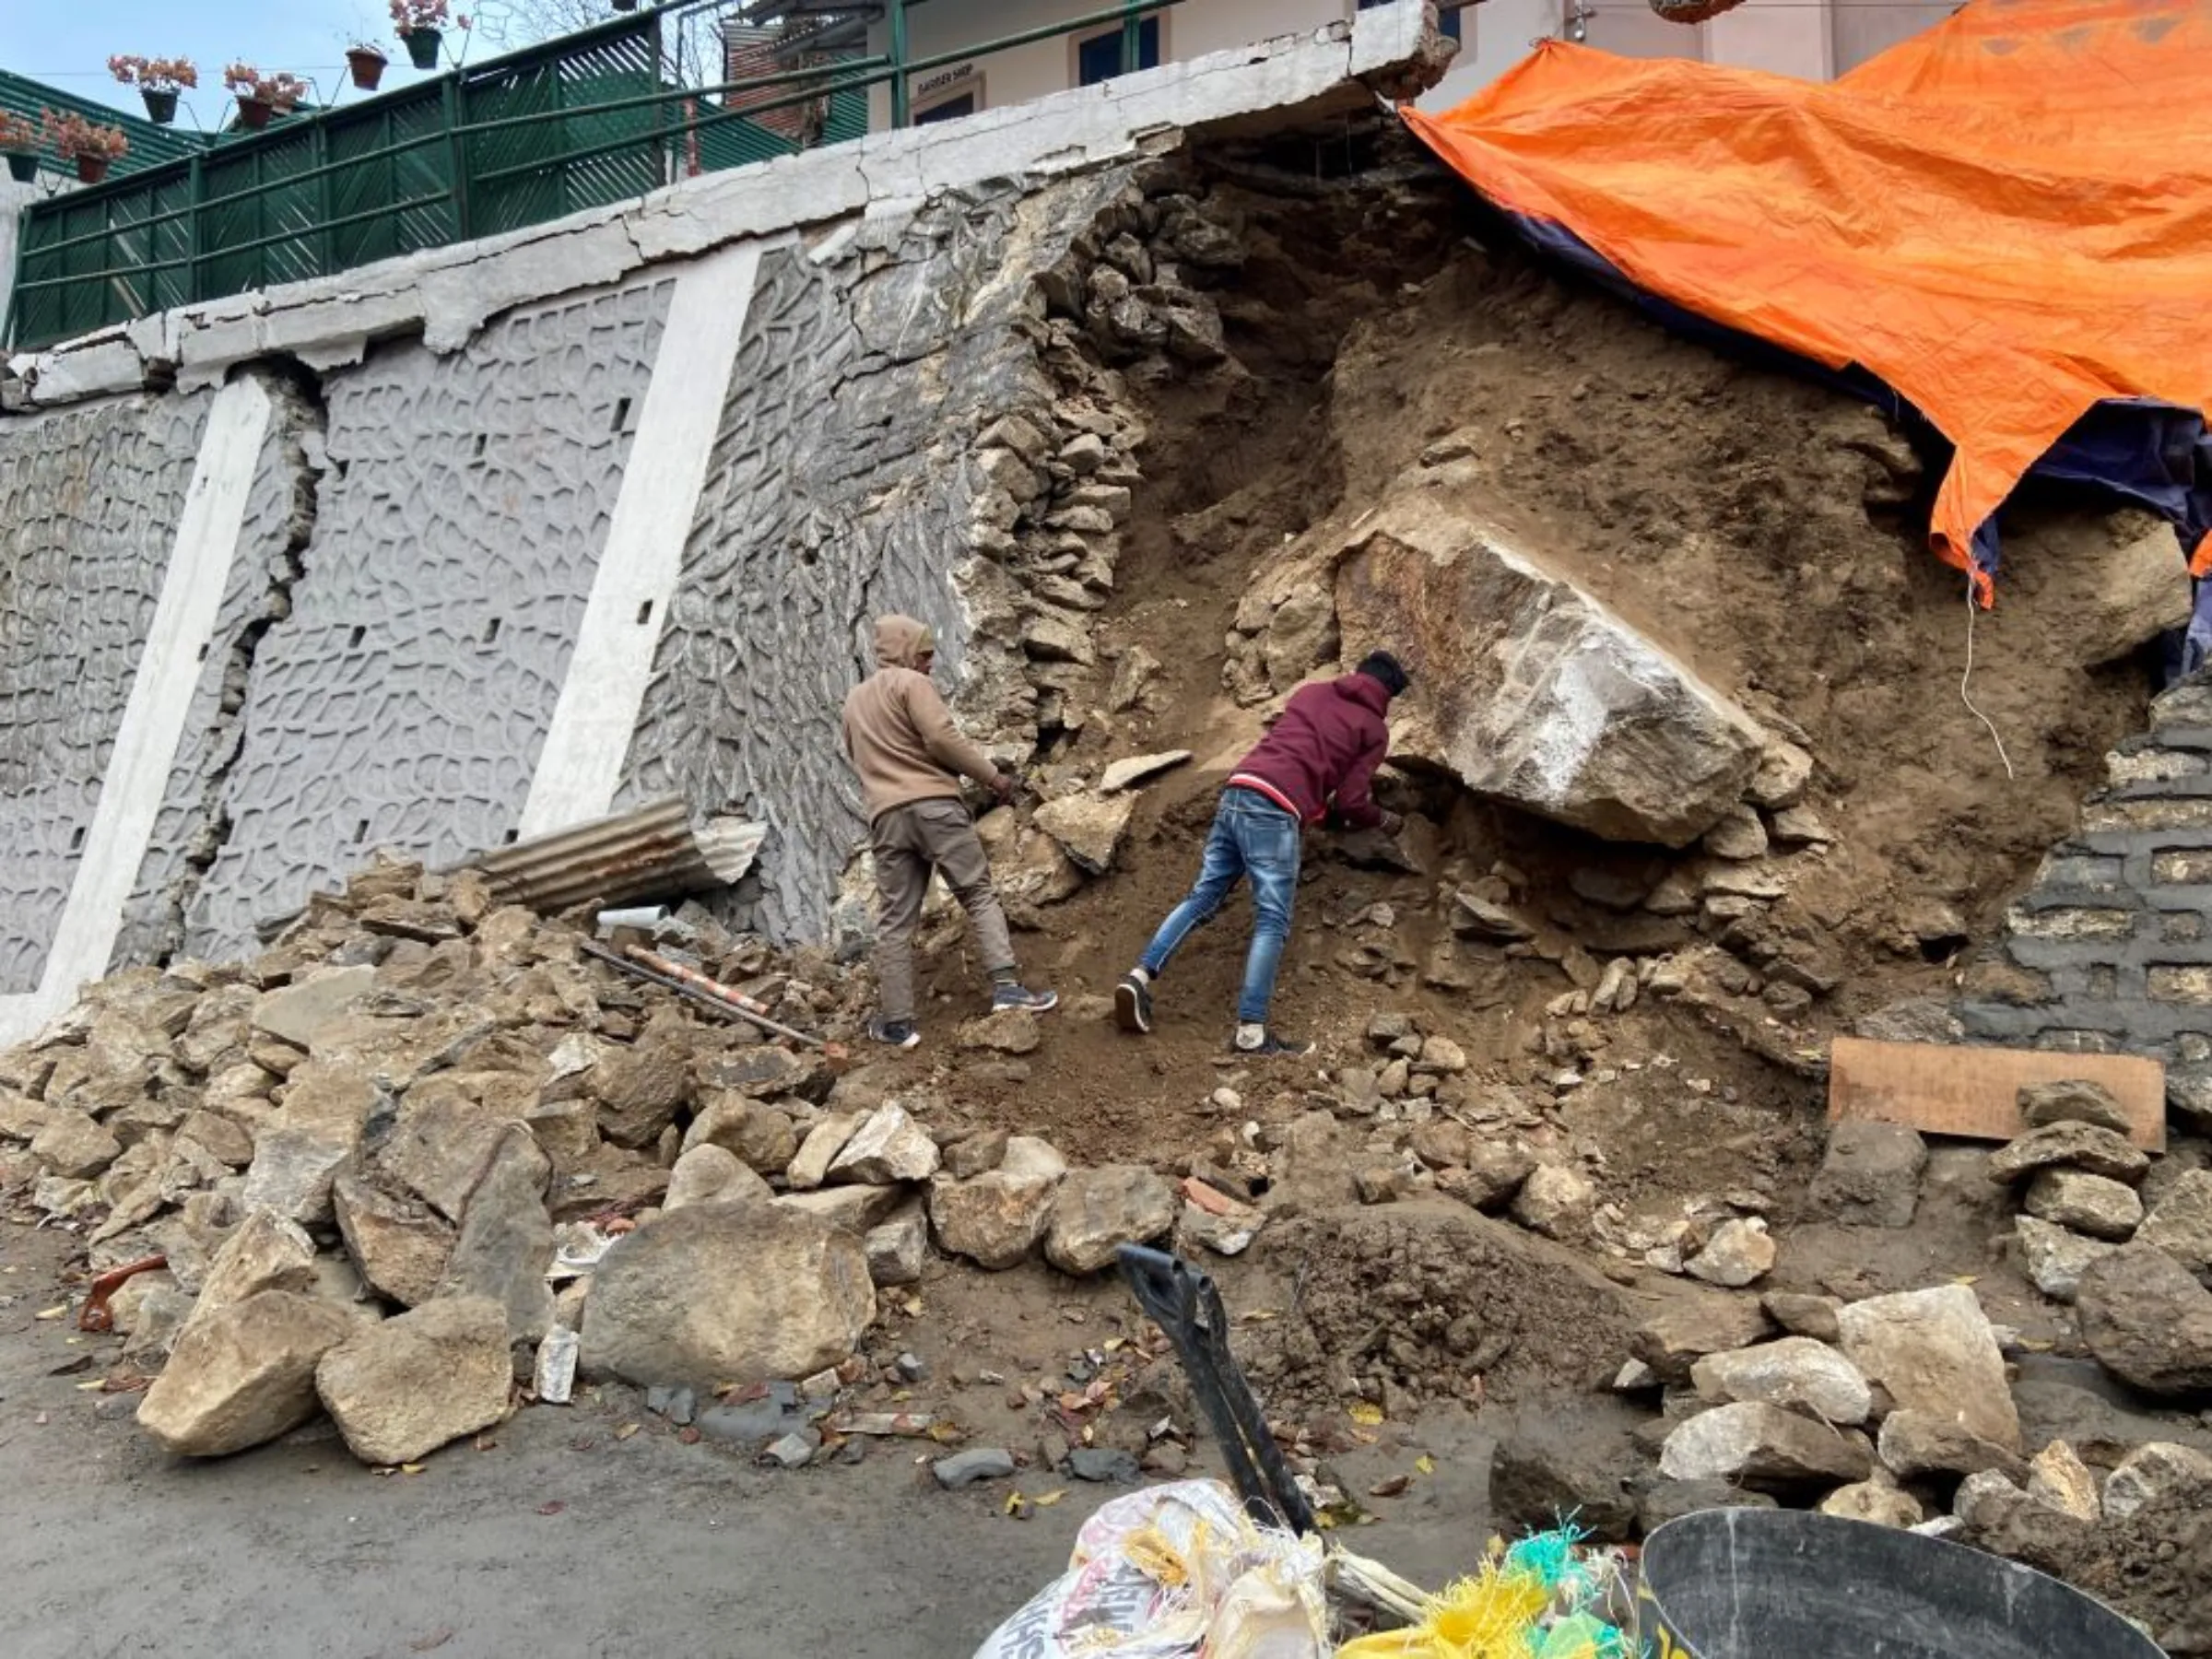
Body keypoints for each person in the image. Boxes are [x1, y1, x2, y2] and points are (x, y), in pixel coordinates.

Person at [1116, 651, 1410, 1056]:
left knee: (1203, 896)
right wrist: (1385, 820)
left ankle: (1138, 976)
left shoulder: (1311, 693)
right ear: (1388, 696)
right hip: (1276, 810)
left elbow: (1300, 747)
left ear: (1357, 673)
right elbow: (1351, 800)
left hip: (1240, 787)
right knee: (1272, 919)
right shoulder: (1373, 729)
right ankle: (1251, 1033)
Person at [841, 615, 1057, 1049]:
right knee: (977, 893)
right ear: (903, 650)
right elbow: (940, 737)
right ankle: (1006, 988)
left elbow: (854, 755)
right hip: (935, 807)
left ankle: (898, 1022)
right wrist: (993, 778)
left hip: (886, 819)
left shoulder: (853, 702)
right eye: (923, 654)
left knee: (895, 922)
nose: (928, 664)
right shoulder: (910, 684)